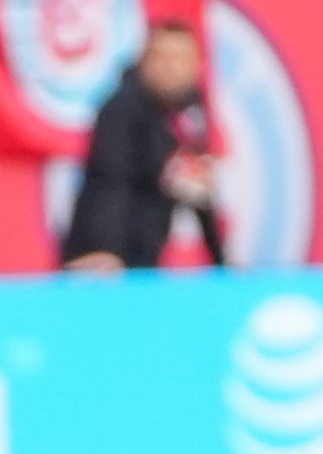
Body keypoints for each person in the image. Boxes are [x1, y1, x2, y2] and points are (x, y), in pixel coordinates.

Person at [60, 20, 224, 270]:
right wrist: (104, 249)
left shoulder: (189, 111)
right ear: (144, 61)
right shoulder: (121, 109)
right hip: (104, 256)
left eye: (181, 59)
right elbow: (111, 184)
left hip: (146, 253)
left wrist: (222, 264)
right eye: (162, 58)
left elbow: (198, 190)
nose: (172, 68)